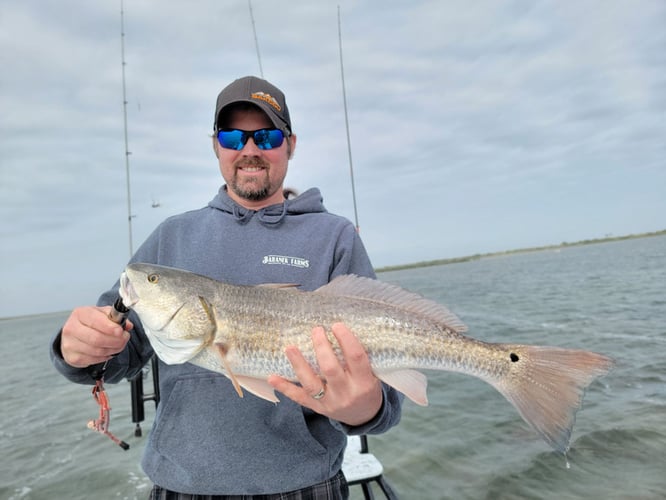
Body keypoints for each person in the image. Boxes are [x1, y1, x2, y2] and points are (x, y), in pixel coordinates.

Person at [50, 75, 403, 499]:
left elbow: (383, 396)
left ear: (290, 145)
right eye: (233, 136)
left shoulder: (335, 237)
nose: (249, 150)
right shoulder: (171, 237)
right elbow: (117, 355)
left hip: (306, 485)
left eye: (267, 136)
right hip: (181, 485)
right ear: (216, 145)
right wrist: (78, 350)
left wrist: (367, 409)